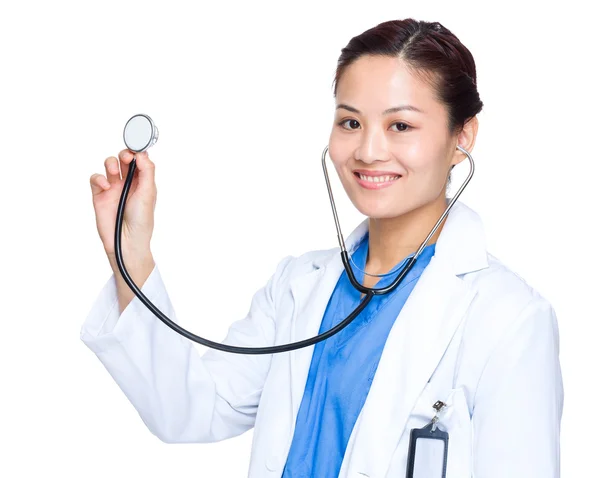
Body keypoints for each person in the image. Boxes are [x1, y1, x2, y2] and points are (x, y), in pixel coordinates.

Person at [82, 18, 563, 478]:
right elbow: (190, 411)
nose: (369, 151)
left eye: (401, 126)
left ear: (463, 136)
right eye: (350, 123)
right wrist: (131, 252)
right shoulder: (297, 287)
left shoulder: (508, 319)